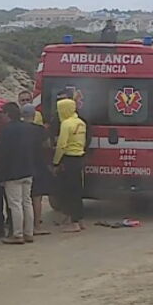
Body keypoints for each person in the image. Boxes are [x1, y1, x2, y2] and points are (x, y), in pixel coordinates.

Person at [0, 102, 35, 244]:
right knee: (27, 202)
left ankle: (18, 234)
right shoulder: (28, 128)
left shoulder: (6, 130)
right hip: (28, 169)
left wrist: (1, 174)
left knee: (15, 204)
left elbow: (2, 154)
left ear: (7, 114)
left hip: (12, 171)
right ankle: (29, 232)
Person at [53, 98, 87, 233]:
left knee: (69, 191)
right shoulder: (81, 123)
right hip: (80, 158)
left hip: (69, 159)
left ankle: (74, 223)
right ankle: (81, 220)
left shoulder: (66, 124)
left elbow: (62, 145)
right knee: (77, 191)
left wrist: (56, 162)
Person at [21, 104, 53, 235]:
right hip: (38, 164)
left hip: (23, 164)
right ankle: (37, 226)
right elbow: (47, 145)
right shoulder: (40, 130)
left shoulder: (19, 129)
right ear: (34, 115)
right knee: (37, 197)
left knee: (23, 198)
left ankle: (24, 226)